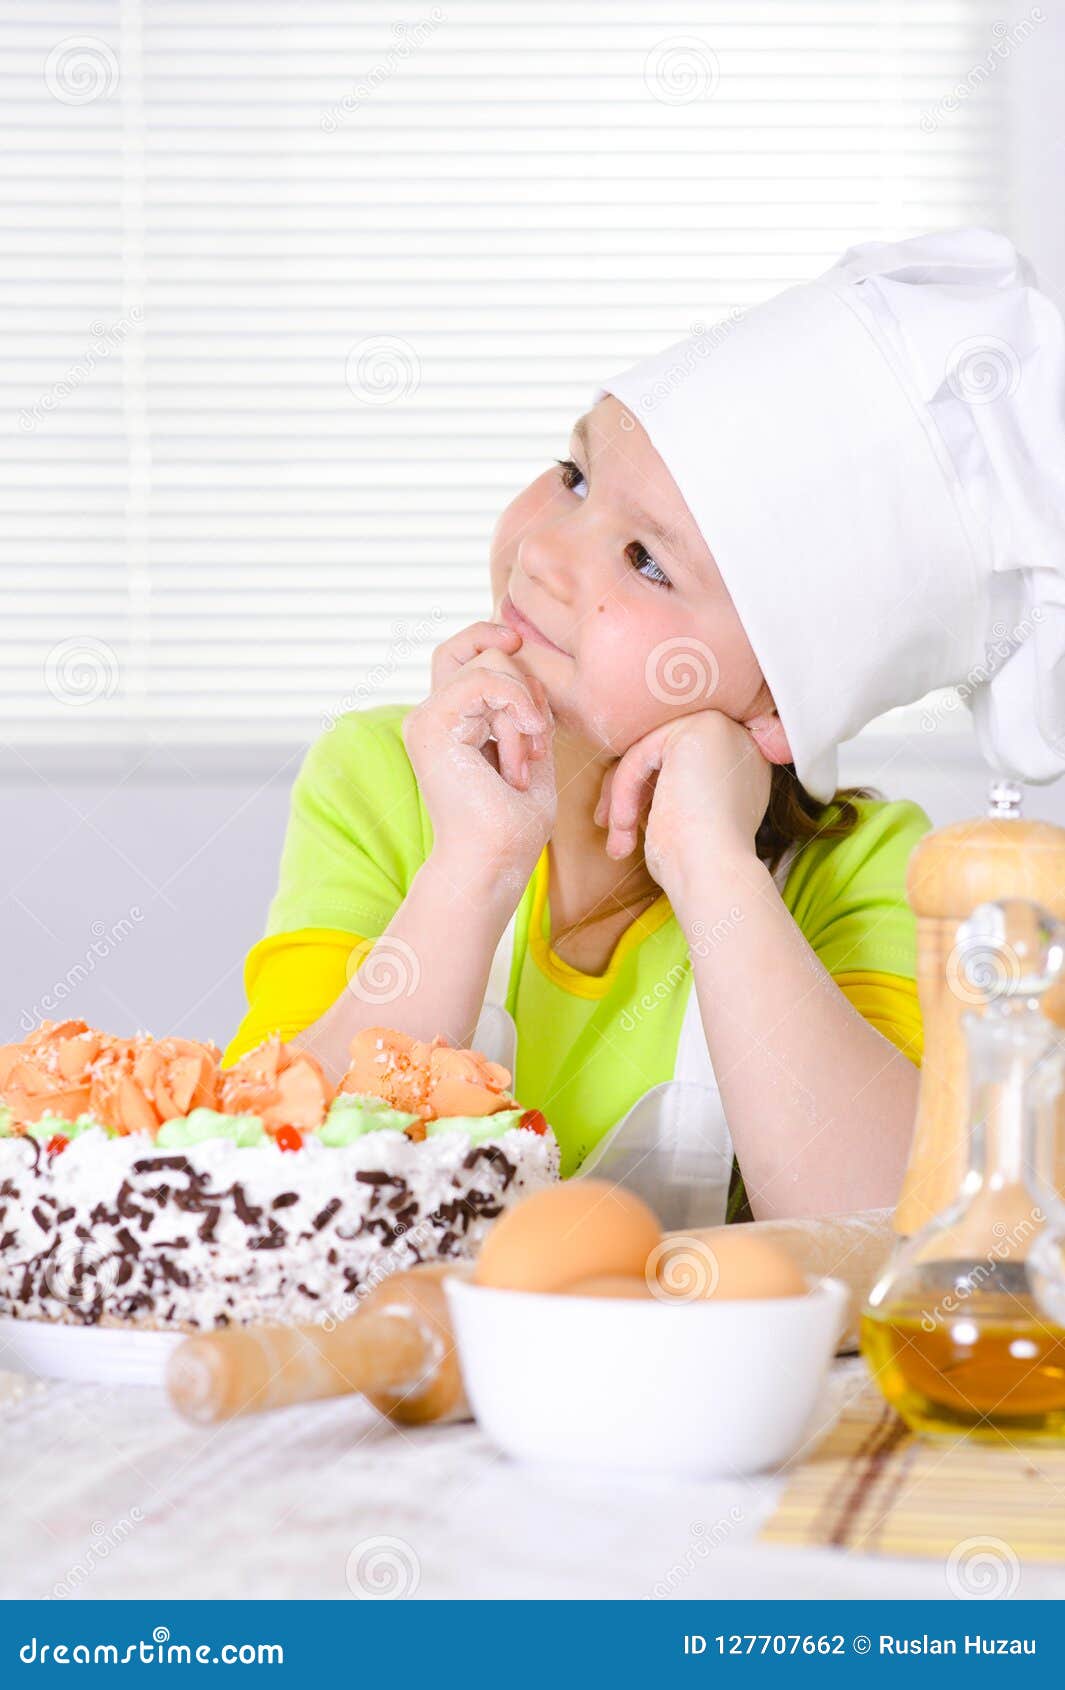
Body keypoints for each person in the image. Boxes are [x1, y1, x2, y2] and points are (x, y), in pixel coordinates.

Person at [225, 228, 1065, 1225]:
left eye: (646, 559)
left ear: (779, 705)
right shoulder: (381, 777)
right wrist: (474, 864)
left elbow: (888, 1225)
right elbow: (267, 1171)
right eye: (575, 476)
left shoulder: (865, 869)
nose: (544, 550)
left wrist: (714, 871)